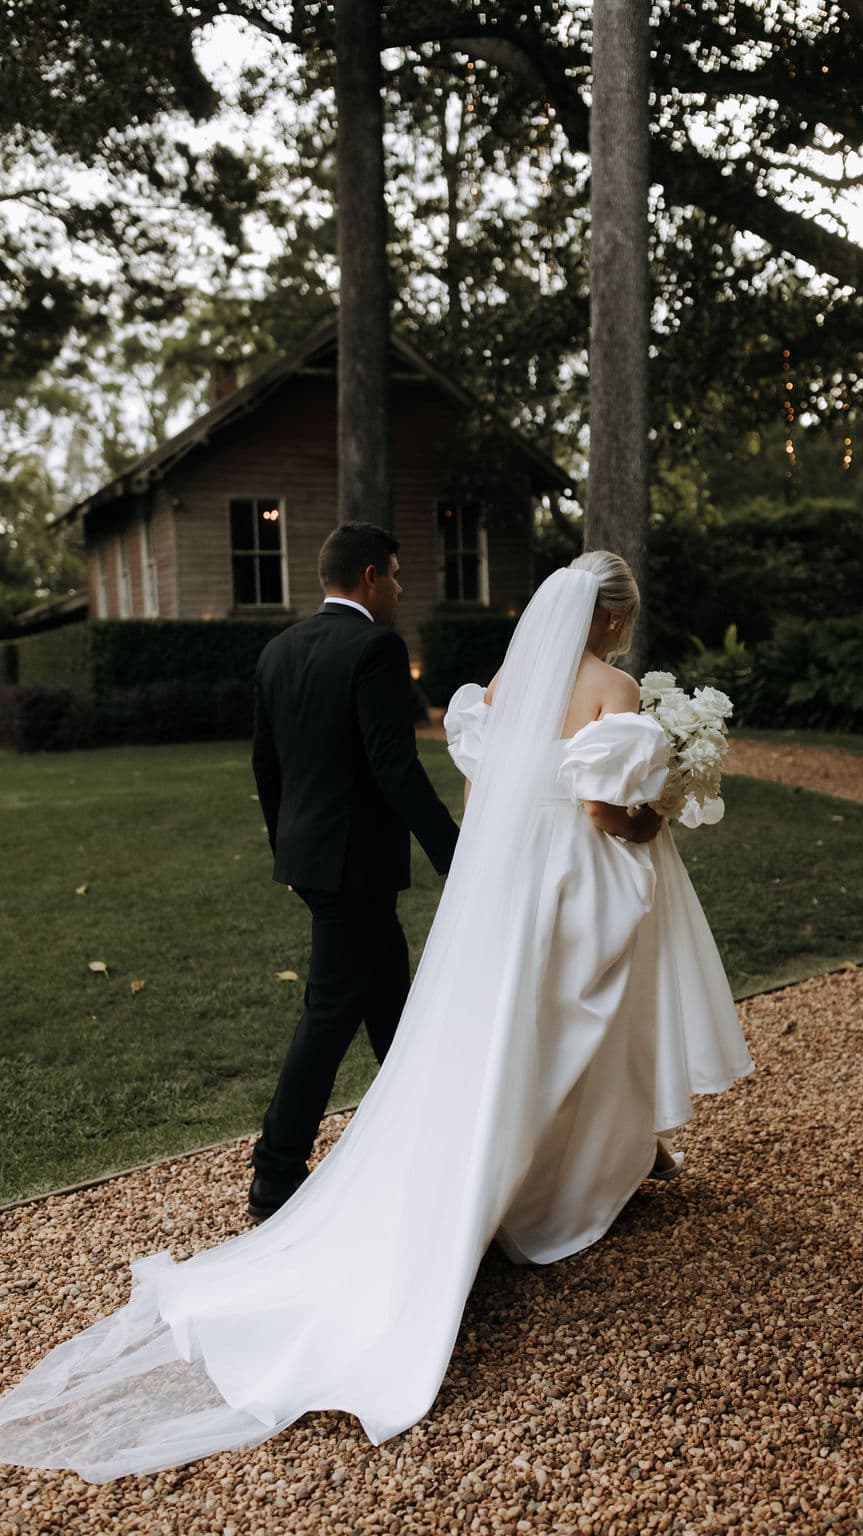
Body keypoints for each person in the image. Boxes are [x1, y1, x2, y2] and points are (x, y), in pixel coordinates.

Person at [0, 552, 753, 1483]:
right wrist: (659, 813)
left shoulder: (510, 683)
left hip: (512, 879)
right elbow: (607, 809)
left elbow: (481, 795)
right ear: (612, 622)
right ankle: (559, 1193)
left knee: (511, 1032)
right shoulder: (616, 685)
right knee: (579, 1028)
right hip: (583, 878)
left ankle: (556, 1170)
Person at [248, 521, 460, 1221]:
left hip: (313, 858)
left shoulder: (280, 649)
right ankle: (275, 1172)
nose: (399, 588)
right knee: (331, 1009)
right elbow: (393, 766)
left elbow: (267, 767)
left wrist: (289, 851)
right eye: (395, 575)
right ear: (370, 577)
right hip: (353, 864)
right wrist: (454, 854)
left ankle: (422, 1136)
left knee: (389, 1000)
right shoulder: (376, 647)